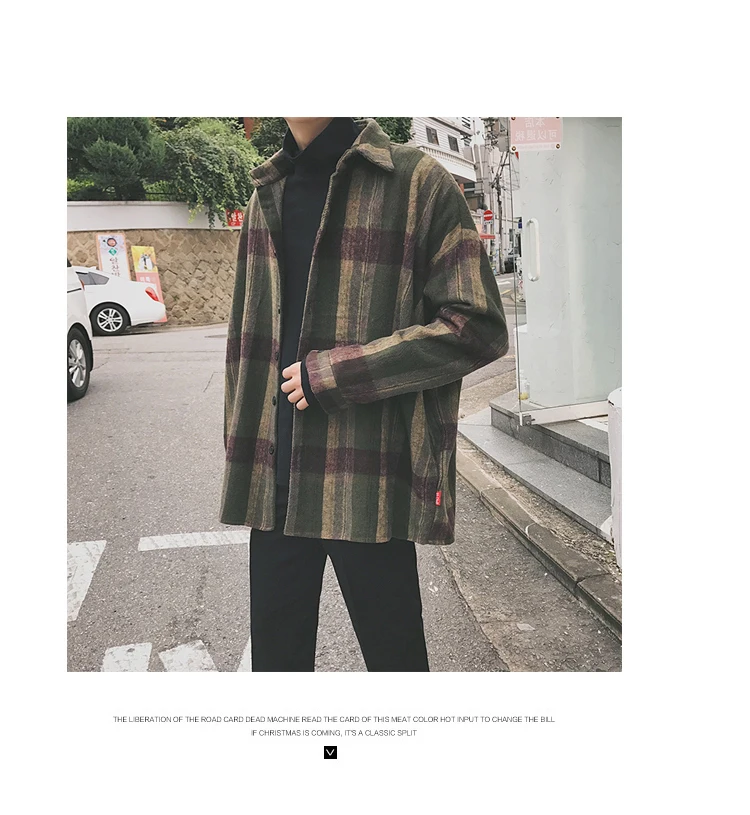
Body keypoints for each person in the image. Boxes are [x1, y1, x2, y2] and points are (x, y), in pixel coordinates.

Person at [221, 117, 508, 672]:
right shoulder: (267, 193)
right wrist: (240, 447)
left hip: (367, 477)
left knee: (396, 665)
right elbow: (246, 340)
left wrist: (340, 374)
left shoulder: (415, 181)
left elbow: (478, 325)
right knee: (277, 673)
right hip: (274, 483)